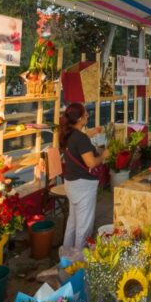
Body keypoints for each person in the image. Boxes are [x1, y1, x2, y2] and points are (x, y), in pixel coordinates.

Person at [59, 102, 109, 251]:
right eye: (86, 114)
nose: (88, 116)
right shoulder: (80, 139)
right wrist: (104, 155)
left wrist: (93, 132)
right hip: (83, 186)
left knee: (73, 222)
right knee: (84, 225)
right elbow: (91, 163)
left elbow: (80, 137)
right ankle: (79, 260)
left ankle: (66, 255)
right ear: (80, 118)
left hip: (71, 183)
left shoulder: (67, 134)